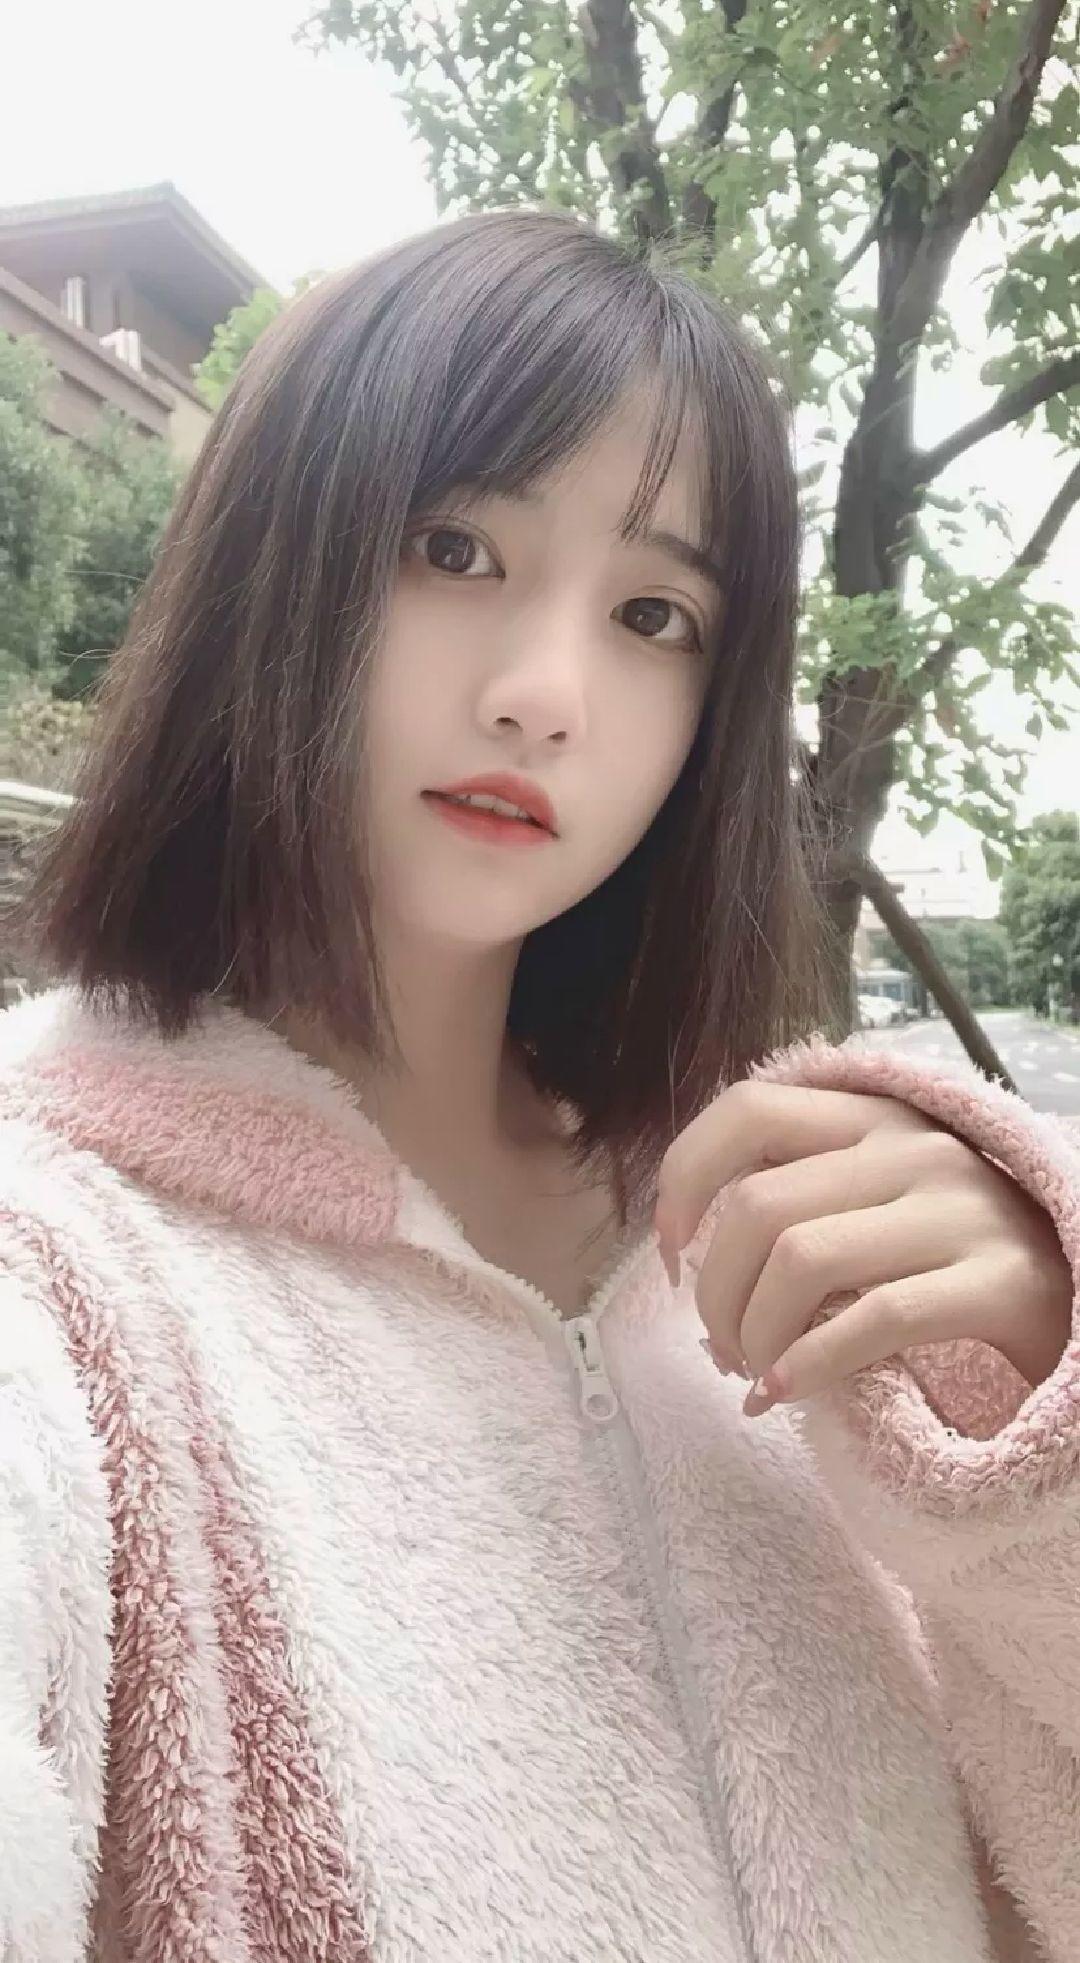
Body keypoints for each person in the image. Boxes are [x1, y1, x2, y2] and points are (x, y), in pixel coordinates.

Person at [0, 209, 1076, 1963]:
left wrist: (1041, 1415)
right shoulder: (52, 1257)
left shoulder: (795, 1245)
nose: (547, 696)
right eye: (454, 548)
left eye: (655, 613)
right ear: (275, 558)